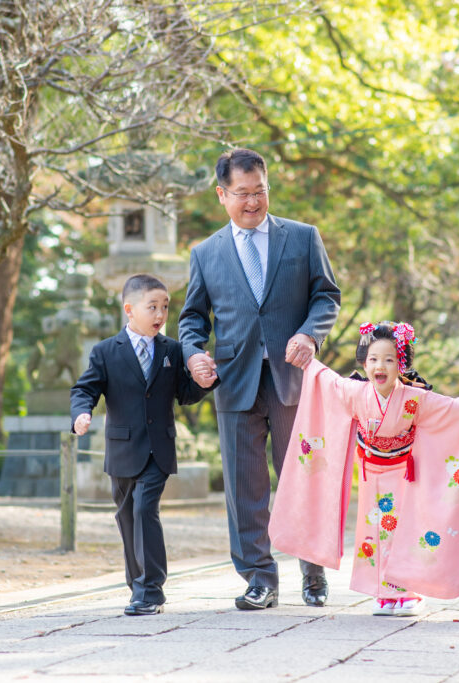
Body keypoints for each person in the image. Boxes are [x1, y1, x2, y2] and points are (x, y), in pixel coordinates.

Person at [178, 148, 341, 610]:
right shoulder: (205, 253)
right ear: (222, 195)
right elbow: (192, 319)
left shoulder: (303, 238)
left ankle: (313, 570)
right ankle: (259, 579)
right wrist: (193, 356)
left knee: (302, 478)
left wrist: (310, 335)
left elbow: (327, 296)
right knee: (244, 487)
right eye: (243, 194)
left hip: (293, 379)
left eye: (261, 192)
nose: (253, 202)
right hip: (233, 381)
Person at [269, 322, 459, 616]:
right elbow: (327, 382)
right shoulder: (357, 393)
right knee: (374, 530)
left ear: (401, 364)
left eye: (389, 359)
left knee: (404, 529)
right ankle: (383, 593)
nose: (380, 366)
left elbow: (452, 408)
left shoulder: (414, 398)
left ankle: (408, 592)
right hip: (371, 475)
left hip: (404, 476)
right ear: (364, 362)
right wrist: (309, 361)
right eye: (373, 359)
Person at [71, 274, 213, 616]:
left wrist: (206, 380)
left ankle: (151, 590)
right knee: (126, 517)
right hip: (121, 450)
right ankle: (137, 585)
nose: (161, 313)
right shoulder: (106, 351)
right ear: (129, 310)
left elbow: (185, 394)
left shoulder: (173, 350)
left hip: (158, 450)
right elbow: (85, 389)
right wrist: (81, 414)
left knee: (143, 509)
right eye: (153, 306)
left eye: (165, 306)